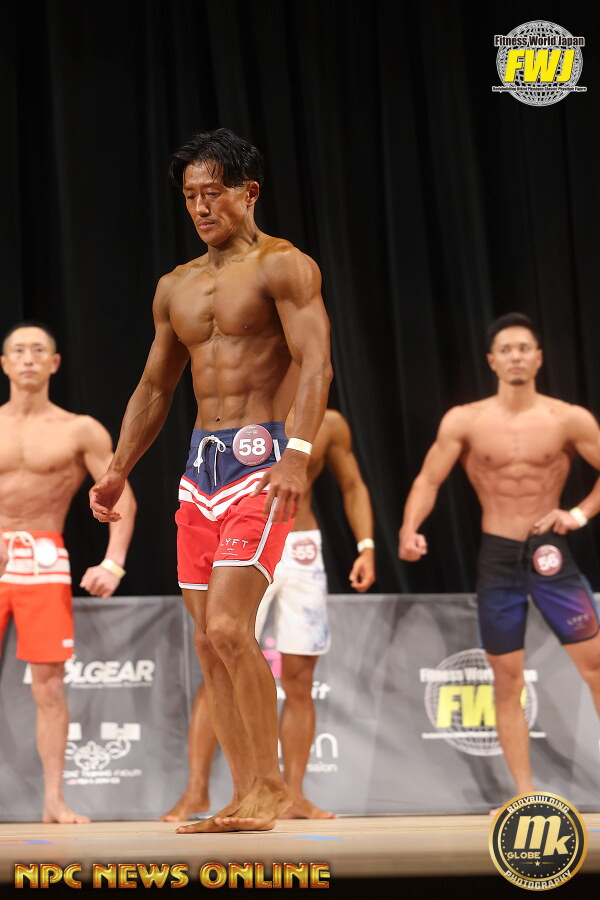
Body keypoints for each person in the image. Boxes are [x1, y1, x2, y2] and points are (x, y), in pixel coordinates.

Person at [89, 128, 332, 834]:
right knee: (206, 642)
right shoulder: (177, 286)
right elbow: (155, 388)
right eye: (191, 195)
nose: (200, 207)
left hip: (263, 461)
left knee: (230, 626)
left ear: (248, 192)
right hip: (201, 470)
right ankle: (243, 794)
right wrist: (117, 469)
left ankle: (270, 786)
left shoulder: (284, 266)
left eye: (214, 193)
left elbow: (317, 364)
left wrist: (298, 452)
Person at [398, 312, 600, 803]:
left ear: (539, 358)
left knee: (596, 666)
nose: (515, 357)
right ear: (492, 360)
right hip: (498, 559)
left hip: (551, 554)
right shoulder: (465, 420)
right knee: (506, 681)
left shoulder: (567, 418)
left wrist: (578, 513)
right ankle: (524, 793)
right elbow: (428, 480)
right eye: (506, 350)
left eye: (524, 348)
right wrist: (409, 528)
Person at [161, 407, 376, 822]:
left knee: (299, 678)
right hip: (240, 541)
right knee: (218, 658)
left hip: (300, 549)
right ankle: (196, 792)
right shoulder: (241, 413)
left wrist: (366, 546)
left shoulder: (328, 422)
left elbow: (353, 485)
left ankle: (293, 795)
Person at [0, 322, 136, 824]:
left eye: (39, 350)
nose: (28, 358)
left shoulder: (79, 430)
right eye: (19, 350)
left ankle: (54, 801)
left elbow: (121, 496)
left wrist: (113, 562)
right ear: (5, 364)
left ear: (54, 363)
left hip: (42, 557)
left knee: (49, 686)